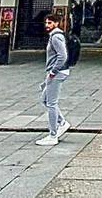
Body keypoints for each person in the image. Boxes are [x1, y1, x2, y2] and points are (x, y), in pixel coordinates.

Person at [35, 14, 71, 147]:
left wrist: (53, 72)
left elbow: (62, 56)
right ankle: (62, 122)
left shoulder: (56, 37)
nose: (47, 25)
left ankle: (53, 135)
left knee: (51, 103)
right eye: (46, 23)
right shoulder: (55, 36)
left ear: (56, 23)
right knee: (45, 99)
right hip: (55, 73)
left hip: (57, 73)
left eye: (50, 23)